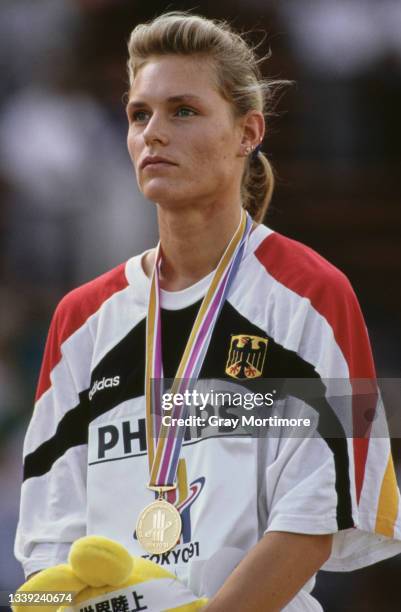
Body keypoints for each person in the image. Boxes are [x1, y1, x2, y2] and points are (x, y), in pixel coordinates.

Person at [15, 12, 401, 611]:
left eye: (183, 111)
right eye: (139, 114)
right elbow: (46, 543)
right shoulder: (78, 321)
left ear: (248, 132)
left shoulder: (317, 293)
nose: (153, 133)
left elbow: (318, 516)